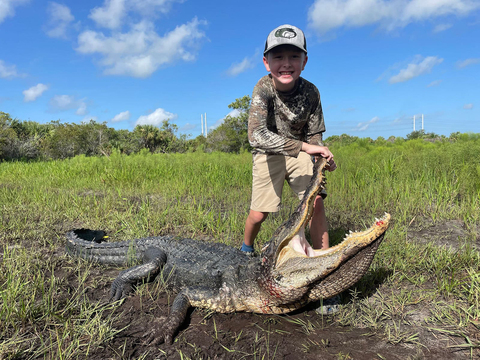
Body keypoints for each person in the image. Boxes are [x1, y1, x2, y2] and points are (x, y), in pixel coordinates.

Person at [241, 24, 339, 314]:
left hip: (300, 152)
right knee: (260, 213)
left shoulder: (311, 92)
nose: (286, 63)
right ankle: (247, 248)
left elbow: (315, 135)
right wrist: (307, 148)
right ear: (266, 62)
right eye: (278, 56)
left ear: (304, 61)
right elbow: (256, 135)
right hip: (268, 152)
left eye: (293, 56)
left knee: (315, 203)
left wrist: (321, 158)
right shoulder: (263, 88)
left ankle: (323, 270)